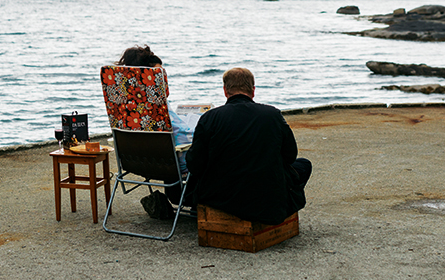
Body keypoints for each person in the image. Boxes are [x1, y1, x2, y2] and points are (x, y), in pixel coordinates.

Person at [183, 67, 312, 225]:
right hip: (266, 200)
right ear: (253, 90)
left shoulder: (210, 118)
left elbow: (194, 164)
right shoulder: (273, 115)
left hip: (218, 197)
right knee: (304, 165)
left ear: (225, 90)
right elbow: (290, 155)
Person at [114, 45, 186, 219]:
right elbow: (183, 134)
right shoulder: (157, 109)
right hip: (172, 164)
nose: (163, 79)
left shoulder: (123, 106)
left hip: (135, 162)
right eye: (159, 75)